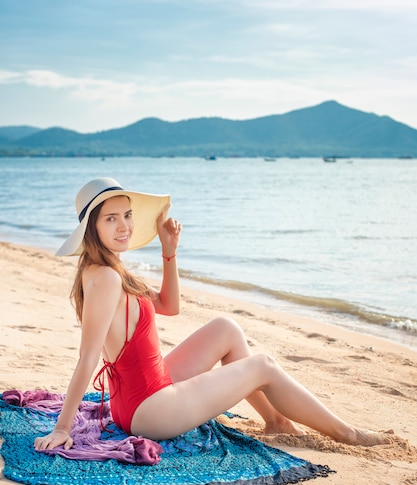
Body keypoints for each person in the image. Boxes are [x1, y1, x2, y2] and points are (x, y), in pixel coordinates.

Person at [35, 177, 390, 452]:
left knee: (226, 328)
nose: (124, 226)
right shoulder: (107, 278)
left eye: (127, 215)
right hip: (149, 410)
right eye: (111, 219)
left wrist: (169, 252)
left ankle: (277, 420)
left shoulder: (108, 270)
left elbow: (170, 307)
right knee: (262, 365)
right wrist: (63, 428)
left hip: (145, 391)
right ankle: (347, 433)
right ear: (92, 229)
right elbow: (88, 356)